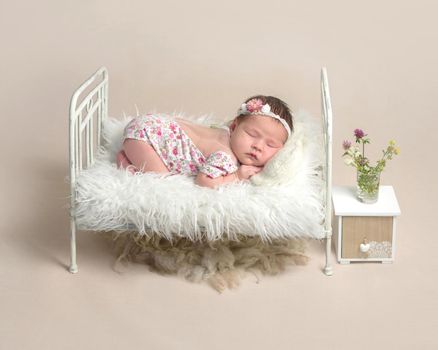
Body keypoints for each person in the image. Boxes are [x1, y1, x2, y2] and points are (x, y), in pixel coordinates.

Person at [116, 95, 294, 188]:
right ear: (234, 127)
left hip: (153, 123)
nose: (258, 146)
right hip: (144, 137)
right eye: (252, 134)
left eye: (270, 145)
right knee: (162, 181)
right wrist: (237, 176)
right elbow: (204, 181)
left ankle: (130, 154)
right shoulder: (225, 157)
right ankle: (129, 164)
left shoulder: (223, 132)